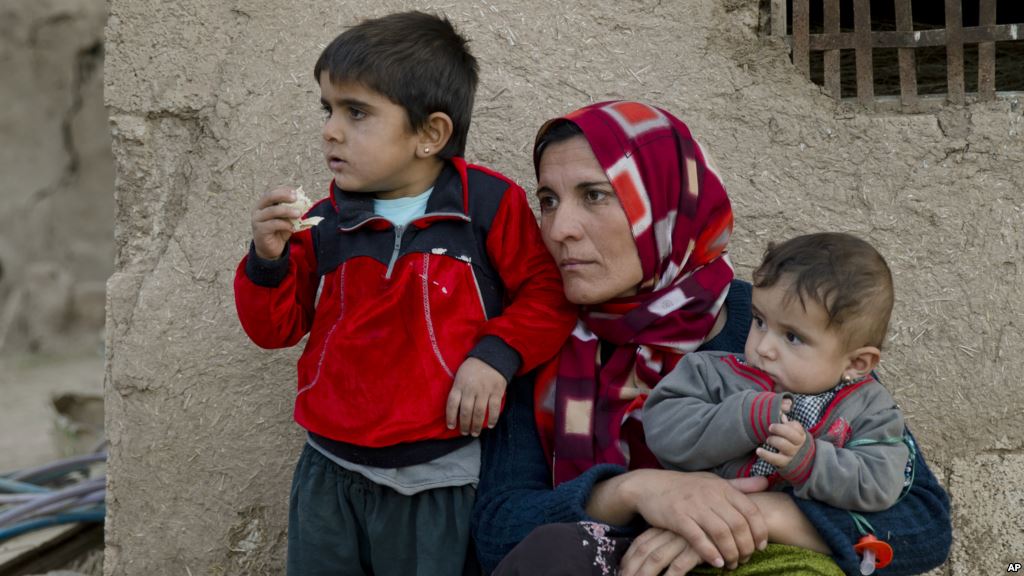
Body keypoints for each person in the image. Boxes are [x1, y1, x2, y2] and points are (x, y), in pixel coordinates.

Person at [471, 101, 951, 576]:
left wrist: (751, 517)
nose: (559, 229)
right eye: (548, 200)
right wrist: (637, 492)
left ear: (667, 205)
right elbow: (498, 532)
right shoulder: (536, 337)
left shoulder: (771, 330)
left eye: (594, 195)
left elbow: (922, 524)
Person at [233, 11, 576, 575]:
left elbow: (549, 297)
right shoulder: (324, 221)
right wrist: (266, 261)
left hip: (437, 478)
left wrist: (495, 357)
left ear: (430, 134)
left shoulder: (486, 207)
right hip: (328, 471)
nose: (330, 130)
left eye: (357, 112)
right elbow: (274, 330)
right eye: (329, 109)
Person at [645, 232, 909, 515]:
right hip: (698, 520)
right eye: (759, 321)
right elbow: (662, 429)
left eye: (792, 337)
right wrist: (742, 418)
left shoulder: (870, 410)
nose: (764, 347)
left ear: (856, 363)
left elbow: (881, 482)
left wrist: (811, 462)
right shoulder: (712, 372)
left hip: (790, 545)